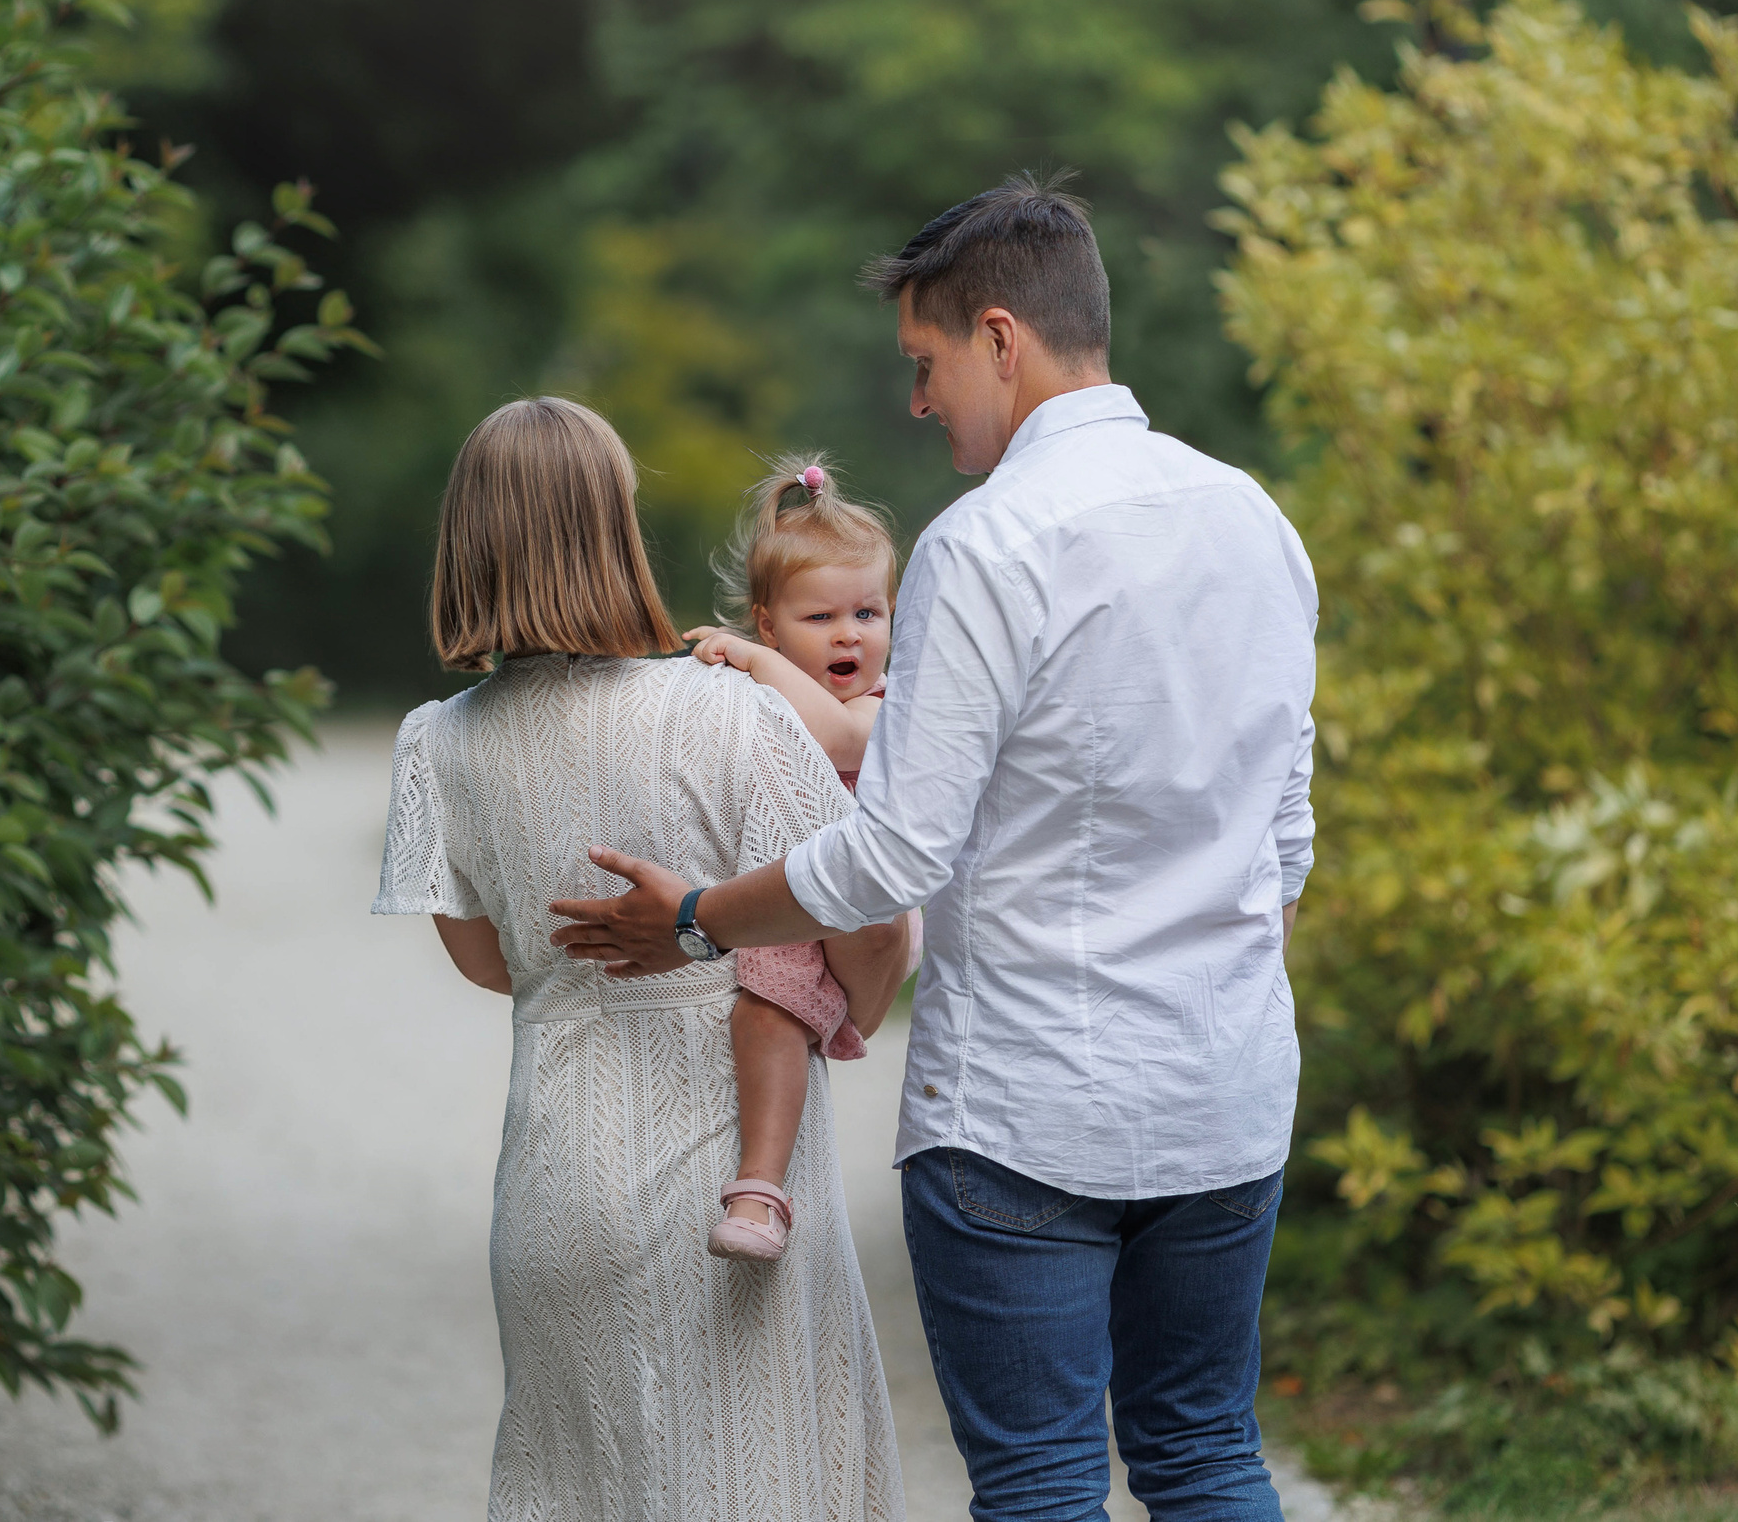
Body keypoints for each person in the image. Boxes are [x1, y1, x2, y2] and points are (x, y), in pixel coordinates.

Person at [549, 175, 1319, 1522]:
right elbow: (1288, 831)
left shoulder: (988, 543)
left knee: (1040, 1483)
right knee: (1207, 1457)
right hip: (1229, 1090)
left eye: (926, 364)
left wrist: (695, 919)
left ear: (1003, 337)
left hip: (1026, 1110)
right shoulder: (1254, 518)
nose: (919, 402)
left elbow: (892, 851)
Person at [371, 396, 915, 1522]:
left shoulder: (437, 743)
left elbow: (490, 961)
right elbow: (871, 926)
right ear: (616, 525)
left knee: (586, 1486)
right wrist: (830, 1002)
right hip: (734, 1174)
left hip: (554, 1179)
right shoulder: (737, 715)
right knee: (761, 1480)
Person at [678, 456, 901, 1262]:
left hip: (869, 901)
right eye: (822, 618)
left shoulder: (889, 710)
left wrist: (755, 662)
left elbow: (833, 739)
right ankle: (761, 1182)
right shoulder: (754, 697)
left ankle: (760, 1188)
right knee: (760, 1003)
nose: (851, 633)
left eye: (869, 612)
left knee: (767, 1002)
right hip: (797, 897)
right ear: (771, 620)